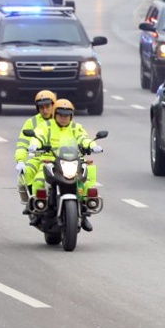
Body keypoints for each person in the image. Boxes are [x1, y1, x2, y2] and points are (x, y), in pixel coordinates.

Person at [28, 99, 102, 232]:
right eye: (60, 115)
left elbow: (83, 138)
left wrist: (92, 145)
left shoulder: (75, 127)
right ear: (55, 114)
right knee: (39, 180)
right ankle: (38, 211)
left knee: (87, 177)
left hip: (72, 161)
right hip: (50, 161)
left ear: (71, 116)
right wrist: (35, 144)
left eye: (66, 115)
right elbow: (38, 136)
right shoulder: (46, 126)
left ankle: (84, 211)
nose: (63, 118)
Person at [15, 90, 56, 212]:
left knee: (84, 176)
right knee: (26, 174)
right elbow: (22, 143)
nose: (45, 110)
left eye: (47, 106)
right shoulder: (31, 123)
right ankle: (32, 203)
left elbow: (75, 136)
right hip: (39, 158)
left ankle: (82, 209)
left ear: (54, 105)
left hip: (60, 158)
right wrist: (20, 160)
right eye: (41, 107)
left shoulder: (62, 118)